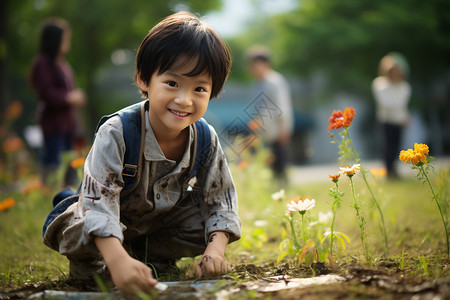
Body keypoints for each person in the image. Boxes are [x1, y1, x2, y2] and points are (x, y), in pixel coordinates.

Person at [42, 12, 240, 295]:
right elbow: (98, 203)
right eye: (172, 83)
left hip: (159, 226)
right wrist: (117, 260)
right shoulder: (118, 132)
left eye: (199, 88)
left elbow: (220, 198)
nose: (184, 100)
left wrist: (216, 250)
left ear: (213, 92)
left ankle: (150, 257)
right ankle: (105, 262)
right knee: (77, 220)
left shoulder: (205, 138)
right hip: (105, 218)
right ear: (144, 79)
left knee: (205, 221)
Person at [30, 18, 86, 185]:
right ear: (55, 40)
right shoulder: (42, 63)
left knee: (70, 164)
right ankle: (50, 195)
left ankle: (67, 196)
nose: (67, 42)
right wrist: (69, 97)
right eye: (65, 38)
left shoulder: (62, 64)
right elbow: (45, 92)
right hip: (53, 124)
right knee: (53, 164)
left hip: (68, 124)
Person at [247, 46, 294, 182]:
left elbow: (283, 106)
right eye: (251, 66)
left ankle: (284, 187)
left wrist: (284, 129)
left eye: (256, 65)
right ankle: (274, 186)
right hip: (263, 132)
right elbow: (258, 109)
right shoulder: (256, 84)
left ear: (266, 64)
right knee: (267, 161)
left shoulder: (275, 81)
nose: (254, 69)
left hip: (277, 130)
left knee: (280, 162)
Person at [372, 52, 411, 178]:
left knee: (397, 146)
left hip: (399, 120)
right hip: (386, 119)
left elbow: (402, 104)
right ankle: (388, 170)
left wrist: (405, 116)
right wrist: (397, 107)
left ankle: (394, 169)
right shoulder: (380, 84)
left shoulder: (404, 86)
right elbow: (386, 103)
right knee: (387, 146)